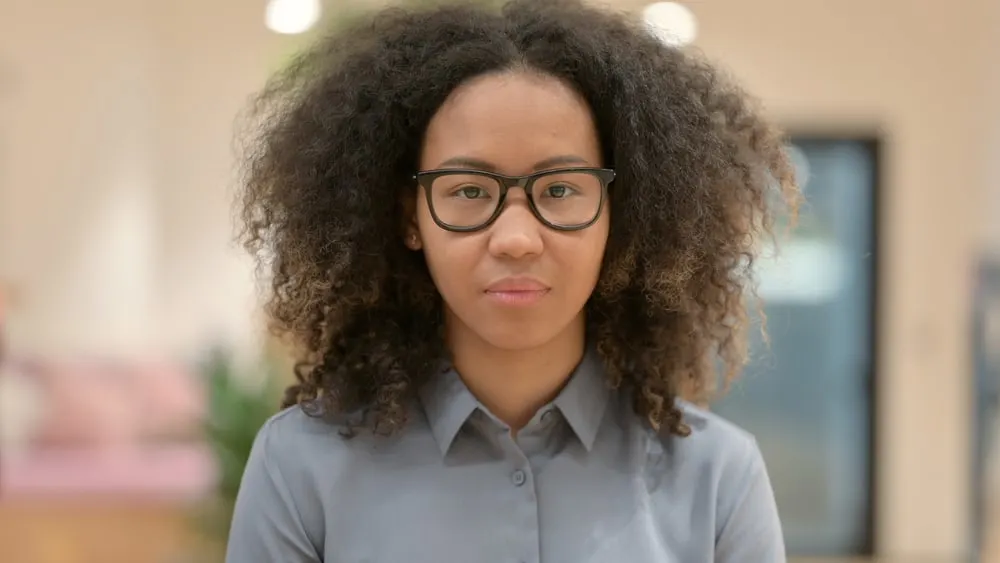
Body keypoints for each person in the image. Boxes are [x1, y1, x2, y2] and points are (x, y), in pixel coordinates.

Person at [227, 1, 800, 561]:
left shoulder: (717, 476)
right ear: (410, 217)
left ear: (618, 214)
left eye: (560, 189)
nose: (517, 238)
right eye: (470, 192)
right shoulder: (301, 466)